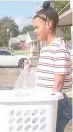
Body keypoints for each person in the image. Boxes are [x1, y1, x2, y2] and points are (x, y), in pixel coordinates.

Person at [32, 1, 72, 132]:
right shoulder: (46, 48)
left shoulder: (59, 48)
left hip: (56, 102)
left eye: (37, 27)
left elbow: (59, 81)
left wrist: (51, 105)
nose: (35, 31)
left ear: (48, 24)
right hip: (46, 100)